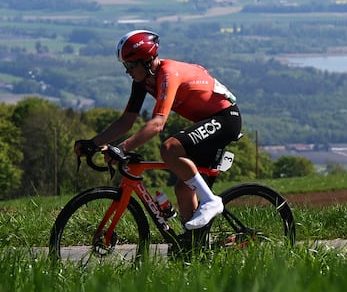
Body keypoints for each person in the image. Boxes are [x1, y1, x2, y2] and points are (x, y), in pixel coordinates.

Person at [73, 29, 241, 230]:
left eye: (130, 65)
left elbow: (158, 124)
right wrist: (93, 143)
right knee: (183, 189)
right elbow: (126, 121)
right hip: (207, 122)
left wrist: (122, 148)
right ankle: (193, 244)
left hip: (225, 119)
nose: (127, 71)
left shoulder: (168, 74)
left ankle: (211, 201)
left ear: (145, 61)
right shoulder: (142, 81)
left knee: (169, 148)